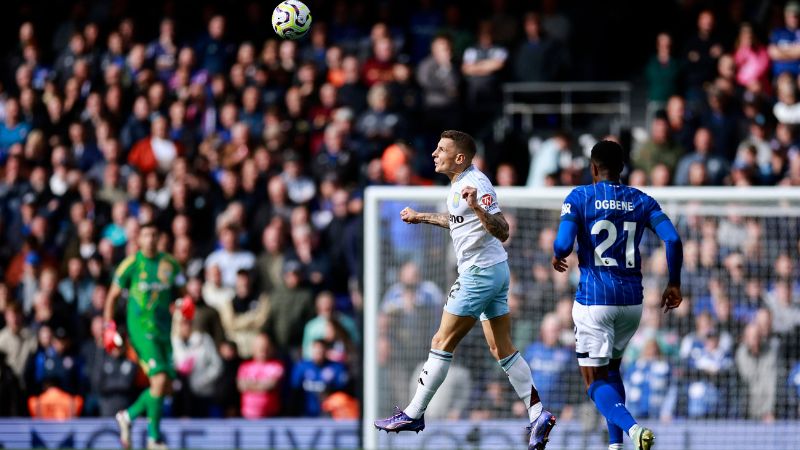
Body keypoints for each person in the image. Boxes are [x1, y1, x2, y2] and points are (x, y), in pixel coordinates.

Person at [374, 130, 556, 450]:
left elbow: (502, 229)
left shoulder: (477, 185)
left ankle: (414, 412)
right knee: (501, 349)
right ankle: (538, 412)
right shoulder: (458, 185)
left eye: (441, 149)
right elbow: (459, 220)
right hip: (495, 271)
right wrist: (421, 217)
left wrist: (479, 208)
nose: (433, 153)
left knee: (441, 341)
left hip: (479, 274)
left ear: (459, 158)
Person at [552, 140, 683, 450]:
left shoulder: (580, 196)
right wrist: (674, 283)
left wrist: (558, 253)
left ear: (593, 168)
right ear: (623, 168)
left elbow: (563, 244)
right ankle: (615, 446)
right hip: (632, 303)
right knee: (612, 369)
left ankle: (633, 430)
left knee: (594, 380)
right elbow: (673, 239)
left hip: (595, 300)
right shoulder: (642, 200)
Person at [103, 222, 195, 450]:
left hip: (165, 330)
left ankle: (128, 417)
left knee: (164, 387)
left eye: (155, 234)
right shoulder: (132, 265)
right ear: (139, 239)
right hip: (142, 330)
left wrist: (185, 306)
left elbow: (184, 296)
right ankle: (154, 438)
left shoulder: (170, 264)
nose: (151, 239)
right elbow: (112, 296)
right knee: (160, 379)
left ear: (160, 237)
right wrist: (109, 327)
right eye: (146, 235)